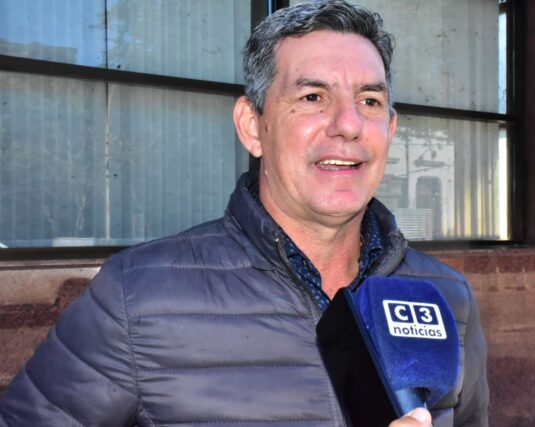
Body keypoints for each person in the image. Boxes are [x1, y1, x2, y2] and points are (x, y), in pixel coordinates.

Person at [0, 1, 488, 426]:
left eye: (370, 100)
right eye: (313, 97)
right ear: (253, 127)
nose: (348, 124)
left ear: (391, 129)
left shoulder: (447, 298)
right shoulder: (137, 297)